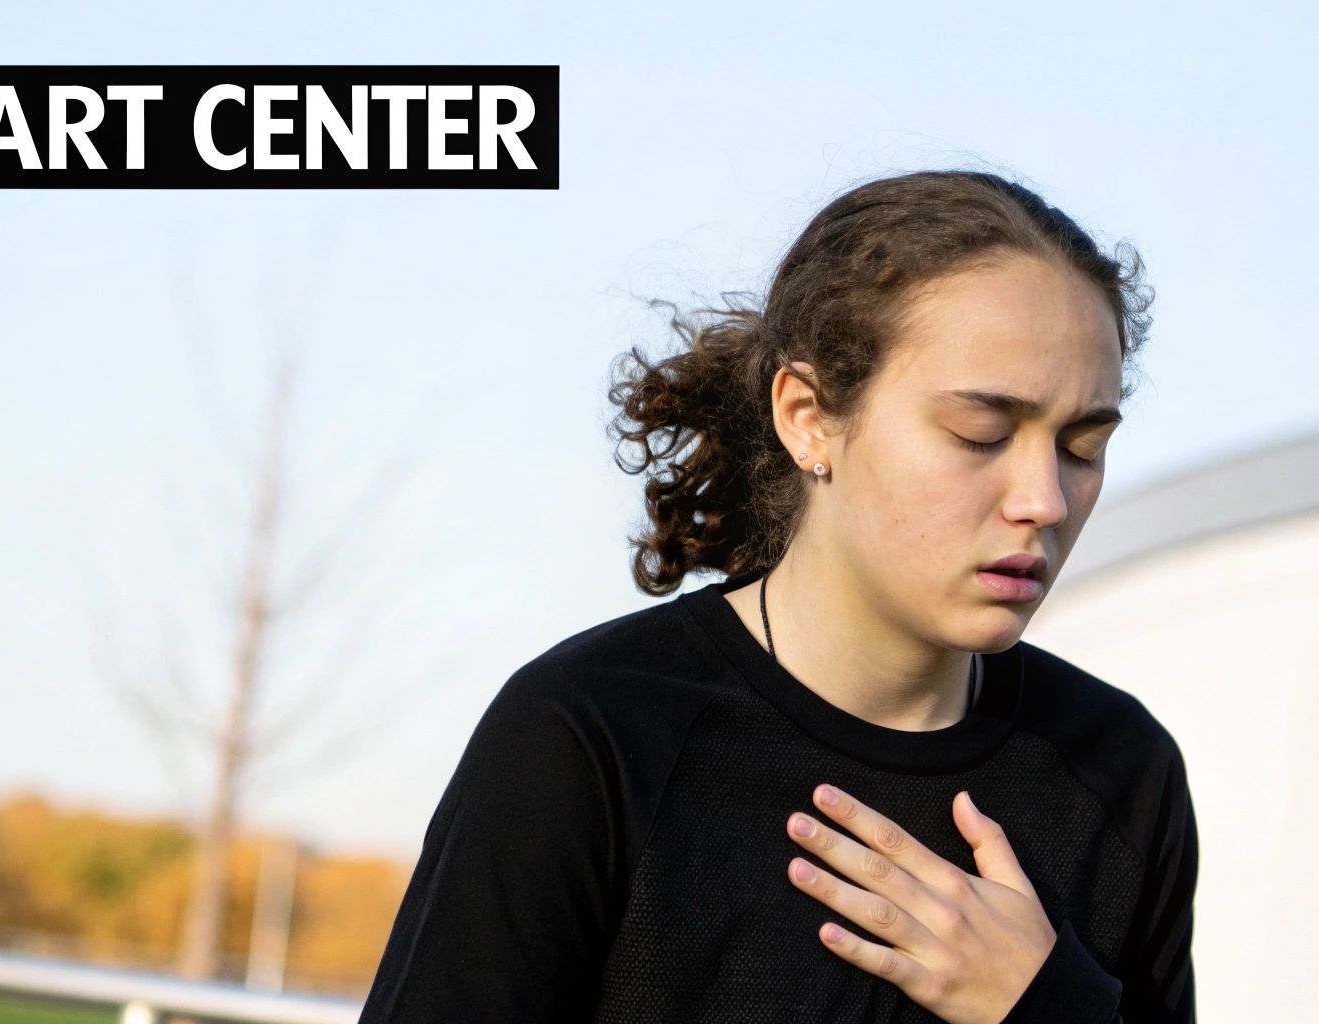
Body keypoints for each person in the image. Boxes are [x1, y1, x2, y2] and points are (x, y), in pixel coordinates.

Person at [357, 169, 1197, 1023]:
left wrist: (1047, 1008)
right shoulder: (591, 733)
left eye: (1083, 447)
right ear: (806, 416)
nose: (1045, 499)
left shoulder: (1122, 772)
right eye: (981, 434)